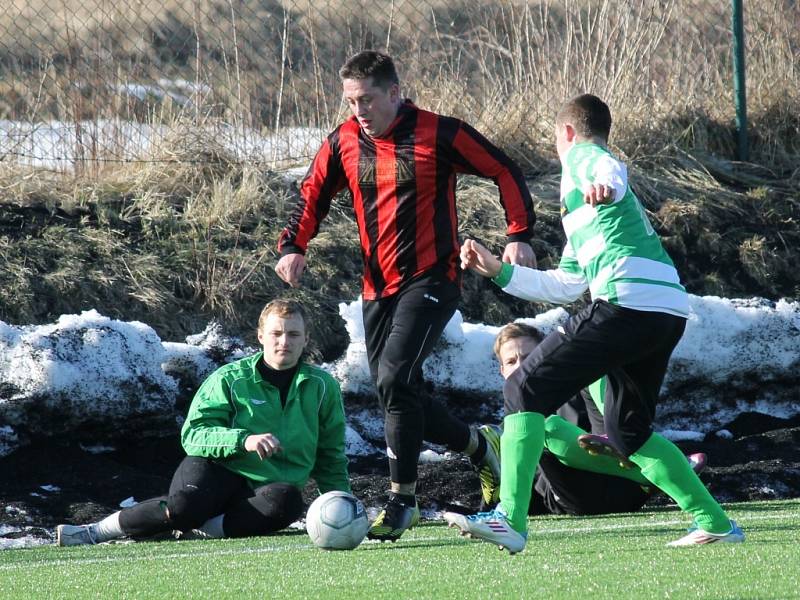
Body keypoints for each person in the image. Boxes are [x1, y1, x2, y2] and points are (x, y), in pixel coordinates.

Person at [451, 94, 744, 552]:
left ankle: (509, 518)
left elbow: (607, 167)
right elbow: (567, 284)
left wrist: (604, 181)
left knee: (522, 388)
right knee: (629, 432)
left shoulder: (586, 161)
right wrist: (499, 272)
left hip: (627, 303)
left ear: (566, 132)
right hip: (665, 311)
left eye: (556, 139)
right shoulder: (585, 214)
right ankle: (715, 523)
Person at [274, 50, 540, 541]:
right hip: (377, 286)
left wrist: (519, 232)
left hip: (433, 278)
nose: (359, 110)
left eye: (368, 99)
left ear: (394, 93)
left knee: (395, 377)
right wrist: (294, 244)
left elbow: (504, 169)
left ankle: (403, 501)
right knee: (398, 389)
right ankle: (482, 448)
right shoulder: (344, 142)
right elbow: (312, 193)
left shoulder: (440, 132)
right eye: (351, 101)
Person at [56, 299, 350, 546]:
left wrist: (345, 506)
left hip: (267, 489)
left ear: (306, 339)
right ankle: (93, 532)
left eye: (293, 334)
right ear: (260, 336)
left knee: (287, 502)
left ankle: (196, 530)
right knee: (184, 508)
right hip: (219, 471)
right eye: (276, 333)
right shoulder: (230, 379)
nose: (284, 341)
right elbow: (193, 435)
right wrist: (243, 439)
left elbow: (330, 454)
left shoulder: (322, 387)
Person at [460, 323, 707, 519]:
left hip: (622, 486)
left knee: (597, 373)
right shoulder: (514, 421)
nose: (523, 367)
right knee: (544, 427)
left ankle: (629, 451)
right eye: (512, 362)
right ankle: (655, 472)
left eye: (530, 357)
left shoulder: (582, 387)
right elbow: (522, 490)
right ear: (502, 372)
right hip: (576, 498)